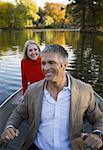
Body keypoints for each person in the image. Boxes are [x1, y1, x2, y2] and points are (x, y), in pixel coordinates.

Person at [1, 44, 103, 150]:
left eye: (51, 63)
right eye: (43, 63)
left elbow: (98, 118)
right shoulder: (32, 90)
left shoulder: (84, 90)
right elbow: (19, 112)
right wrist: (10, 127)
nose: (45, 68)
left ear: (64, 65)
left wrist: (97, 134)